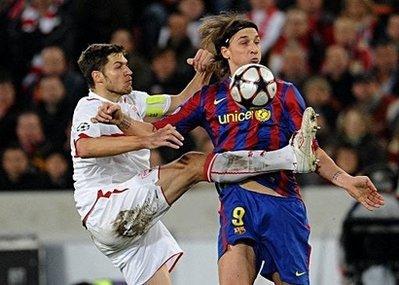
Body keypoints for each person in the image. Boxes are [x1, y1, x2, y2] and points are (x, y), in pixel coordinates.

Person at [144, 13, 384, 285]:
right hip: (237, 201)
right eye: (244, 42)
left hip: (281, 203)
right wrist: (120, 119)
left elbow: (309, 150)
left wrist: (345, 179)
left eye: (257, 42)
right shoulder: (209, 98)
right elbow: (158, 131)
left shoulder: (284, 92)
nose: (254, 48)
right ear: (225, 51)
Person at [73, 43, 319, 285]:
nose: (128, 71)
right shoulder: (89, 106)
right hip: (106, 205)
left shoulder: (136, 101)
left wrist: (204, 72)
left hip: (132, 222)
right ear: (98, 76)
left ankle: (290, 156)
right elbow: (84, 147)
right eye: (118, 67)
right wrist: (145, 139)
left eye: (127, 65)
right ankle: (288, 157)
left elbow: (182, 101)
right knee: (192, 164)